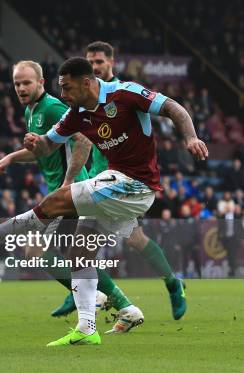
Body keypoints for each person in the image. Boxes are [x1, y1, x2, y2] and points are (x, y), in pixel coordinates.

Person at [0, 57, 207, 346]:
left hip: (136, 184)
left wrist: (190, 137)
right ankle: (87, 328)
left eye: (67, 88)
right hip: (114, 188)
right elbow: (49, 144)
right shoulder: (76, 113)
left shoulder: (125, 93)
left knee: (56, 202)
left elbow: (173, 107)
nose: (63, 95)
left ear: (87, 83)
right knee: (80, 253)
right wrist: (35, 143)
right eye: (60, 89)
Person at [0, 60, 139, 327]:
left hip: (69, 191)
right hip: (62, 192)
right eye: (17, 83)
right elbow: (44, 148)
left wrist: (69, 180)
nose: (21, 88)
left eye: (27, 82)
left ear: (40, 82)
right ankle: (124, 307)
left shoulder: (53, 107)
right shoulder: (33, 111)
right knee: (78, 256)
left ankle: (95, 296)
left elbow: (82, 138)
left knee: (36, 251)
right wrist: (13, 158)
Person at [85, 41, 187, 320]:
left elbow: (167, 109)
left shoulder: (126, 93)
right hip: (100, 180)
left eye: (99, 62)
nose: (94, 68)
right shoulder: (87, 100)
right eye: (90, 63)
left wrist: (189, 137)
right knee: (132, 239)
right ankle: (171, 283)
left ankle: (105, 301)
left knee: (82, 247)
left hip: (126, 182)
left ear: (111, 63)